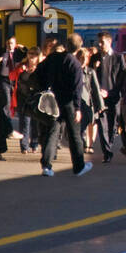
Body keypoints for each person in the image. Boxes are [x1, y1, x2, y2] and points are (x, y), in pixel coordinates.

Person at [35, 33, 92, 177]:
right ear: (79, 47)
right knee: (74, 135)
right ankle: (79, 166)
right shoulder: (75, 64)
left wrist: (45, 87)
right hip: (69, 104)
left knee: (52, 132)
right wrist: (78, 108)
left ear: (66, 45)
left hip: (53, 101)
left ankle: (46, 166)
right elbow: (77, 89)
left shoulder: (53, 58)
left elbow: (38, 72)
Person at [92, 33, 122, 163]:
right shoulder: (95, 58)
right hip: (99, 98)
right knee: (102, 124)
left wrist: (111, 93)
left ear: (109, 43)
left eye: (102, 42)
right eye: (99, 42)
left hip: (114, 97)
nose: (99, 45)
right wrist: (94, 67)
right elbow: (89, 77)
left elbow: (121, 79)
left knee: (112, 125)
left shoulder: (118, 58)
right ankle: (107, 152)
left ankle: (109, 146)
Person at [0, 36, 18, 161]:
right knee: (6, 103)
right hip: (4, 80)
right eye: (8, 43)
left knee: (10, 104)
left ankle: (9, 130)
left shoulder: (18, 53)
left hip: (14, 81)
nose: (9, 45)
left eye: (12, 43)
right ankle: (10, 130)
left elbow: (27, 50)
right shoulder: (2, 52)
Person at [15, 47, 42, 153]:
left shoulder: (41, 68)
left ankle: (34, 144)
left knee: (35, 123)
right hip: (23, 98)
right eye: (30, 53)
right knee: (25, 123)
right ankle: (24, 146)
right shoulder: (22, 66)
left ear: (38, 57)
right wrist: (20, 71)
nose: (32, 56)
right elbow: (12, 76)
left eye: (34, 54)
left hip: (35, 98)